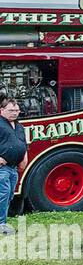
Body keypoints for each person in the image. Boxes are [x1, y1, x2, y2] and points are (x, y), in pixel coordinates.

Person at [0, 97, 27, 236]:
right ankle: (1, 224)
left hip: (13, 168)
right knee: (3, 194)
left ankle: (2, 222)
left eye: (17, 110)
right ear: (2, 110)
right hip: (2, 169)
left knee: (9, 195)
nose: (15, 113)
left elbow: (23, 144)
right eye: (11, 110)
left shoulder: (19, 126)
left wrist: (24, 159)